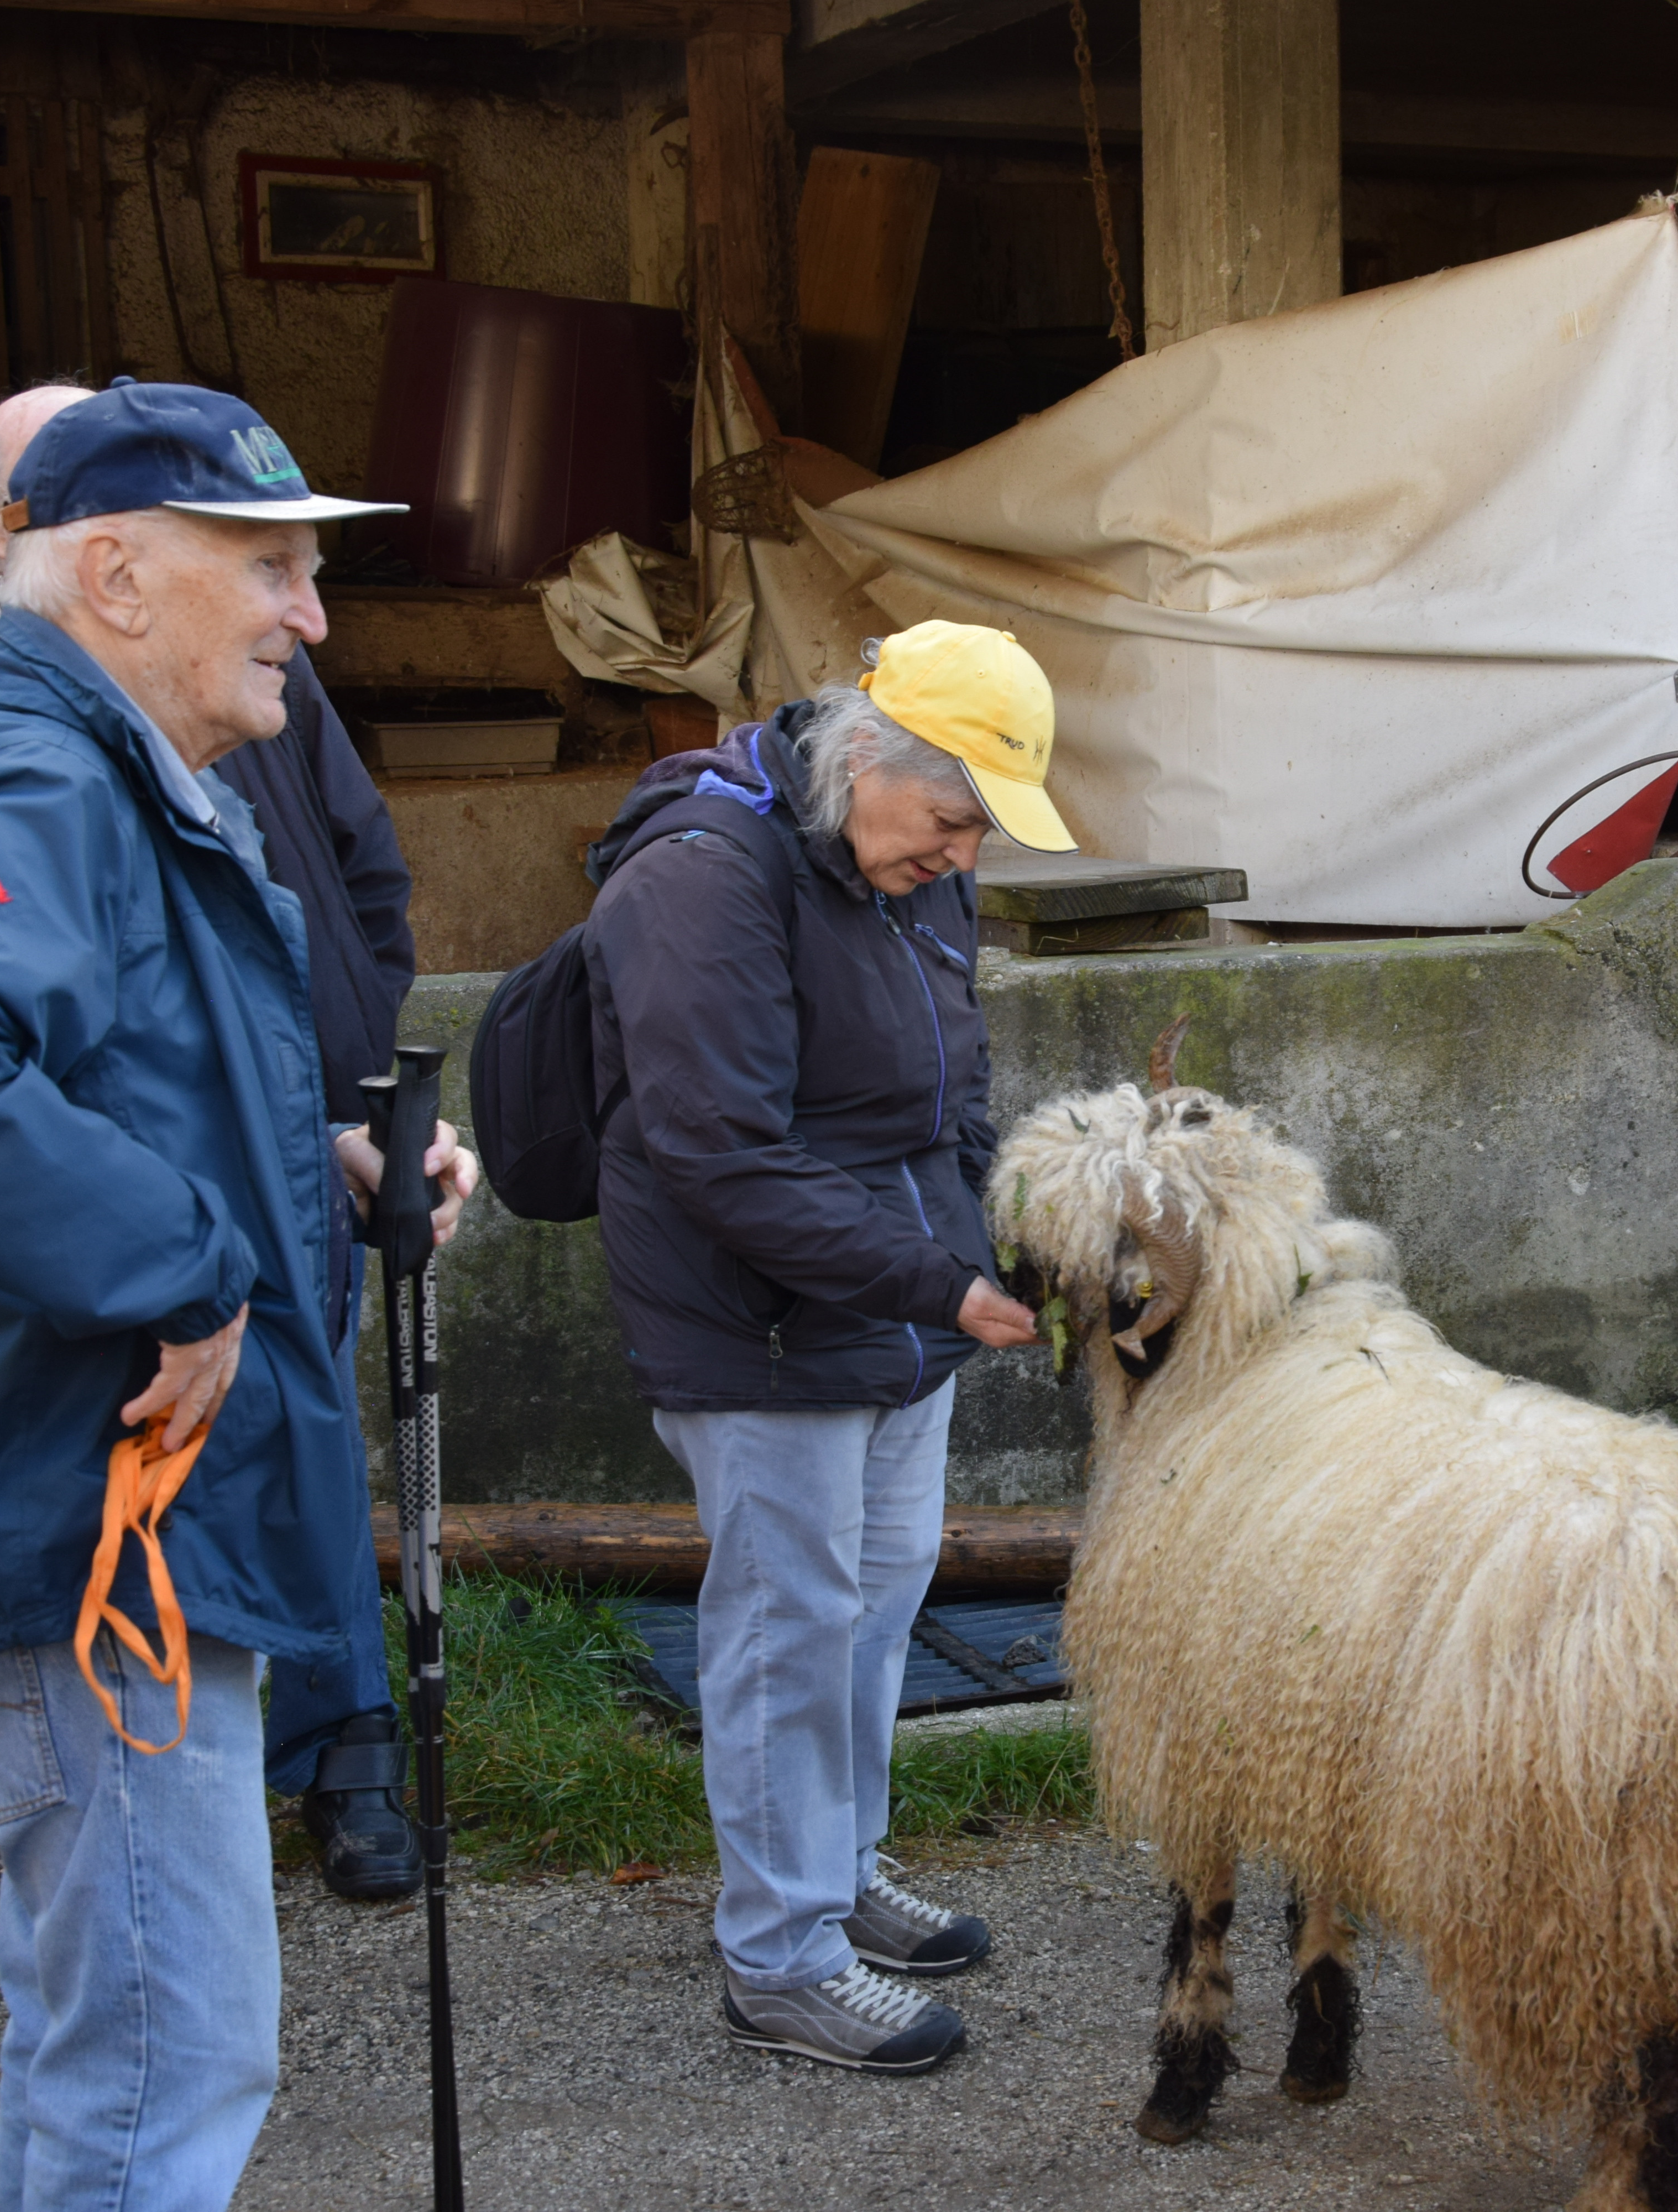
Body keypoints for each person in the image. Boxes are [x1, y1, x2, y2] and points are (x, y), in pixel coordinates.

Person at [0, 381, 474, 2210]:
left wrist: (303, 1164)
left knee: (115, 2042)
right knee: (167, 2061)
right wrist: (184, 1262)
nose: (311, 622)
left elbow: (99, 1071)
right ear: (115, 573)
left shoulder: (81, 759)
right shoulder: (27, 767)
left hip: (104, 1515)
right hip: (86, 1528)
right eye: (274, 571)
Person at [583, 620, 1063, 2074]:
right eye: (952, 819)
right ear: (864, 761)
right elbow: (722, 1155)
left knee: (875, 1598)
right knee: (788, 1630)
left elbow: (955, 1079)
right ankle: (781, 1954)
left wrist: (979, 1243)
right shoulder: (701, 875)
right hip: (762, 1320)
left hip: (895, 1303)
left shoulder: (904, 867)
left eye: (982, 829)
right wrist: (941, 1282)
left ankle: (840, 1872)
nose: (966, 858)